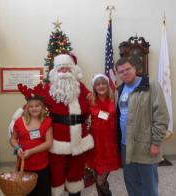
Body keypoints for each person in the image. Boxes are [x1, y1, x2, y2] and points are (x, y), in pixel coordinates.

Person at [41, 53, 94, 196]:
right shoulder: (48, 88)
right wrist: (18, 118)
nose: (64, 72)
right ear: (55, 72)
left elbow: (93, 103)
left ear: (73, 70)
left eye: (67, 69)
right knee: (56, 172)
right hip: (57, 139)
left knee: (76, 171)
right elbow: (33, 105)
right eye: (61, 69)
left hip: (79, 137)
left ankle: (75, 193)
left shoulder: (80, 87)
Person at [115, 56, 169, 196]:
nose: (125, 73)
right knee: (131, 182)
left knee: (148, 184)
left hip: (145, 145)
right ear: (118, 74)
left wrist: (156, 143)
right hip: (125, 145)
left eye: (128, 69)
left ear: (135, 69)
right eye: (121, 71)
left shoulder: (151, 86)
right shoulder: (120, 90)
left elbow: (161, 117)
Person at [10, 83, 53, 196]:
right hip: (24, 166)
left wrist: (31, 151)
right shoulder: (19, 121)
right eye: (31, 106)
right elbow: (13, 139)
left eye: (37, 106)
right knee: (25, 192)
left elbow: (49, 143)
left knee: (42, 193)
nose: (34, 108)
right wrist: (17, 148)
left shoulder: (47, 121)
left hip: (42, 166)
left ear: (42, 107)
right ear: (27, 108)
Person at [87, 74, 121, 196]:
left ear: (108, 85)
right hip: (96, 143)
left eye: (103, 83)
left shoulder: (115, 98)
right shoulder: (90, 99)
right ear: (94, 87)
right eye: (98, 84)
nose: (101, 86)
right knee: (98, 177)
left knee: (101, 179)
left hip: (110, 143)